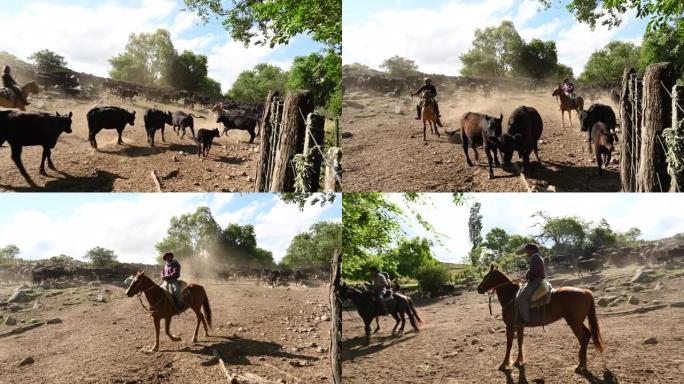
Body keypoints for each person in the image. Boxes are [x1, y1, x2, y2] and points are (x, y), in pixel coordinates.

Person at [515, 243, 545, 326]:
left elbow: (533, 272)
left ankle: (525, 319)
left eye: (527, 251)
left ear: (532, 250)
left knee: (521, 298)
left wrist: (526, 278)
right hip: (535, 279)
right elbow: (531, 270)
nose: (526, 252)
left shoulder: (535, 258)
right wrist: (522, 276)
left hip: (535, 281)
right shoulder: (536, 257)